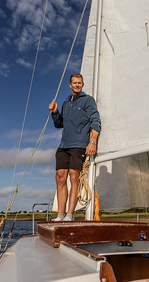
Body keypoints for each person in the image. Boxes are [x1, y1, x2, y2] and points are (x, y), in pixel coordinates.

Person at [49, 73, 100, 221]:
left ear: (82, 85)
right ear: (70, 85)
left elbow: (95, 120)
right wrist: (54, 112)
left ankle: (70, 215)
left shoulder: (88, 100)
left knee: (74, 176)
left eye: (79, 83)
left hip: (79, 145)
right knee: (60, 177)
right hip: (64, 145)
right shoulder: (66, 104)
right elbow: (59, 124)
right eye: (74, 83)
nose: (77, 85)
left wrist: (93, 141)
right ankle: (60, 215)